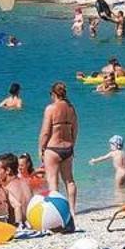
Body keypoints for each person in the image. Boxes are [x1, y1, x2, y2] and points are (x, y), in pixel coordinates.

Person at [39, 81, 78, 209]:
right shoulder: (71, 108)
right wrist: (72, 144)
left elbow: (45, 132)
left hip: (53, 148)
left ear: (54, 94)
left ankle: (57, 209)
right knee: (69, 180)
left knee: (53, 181)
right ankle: (72, 210)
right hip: (67, 148)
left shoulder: (50, 109)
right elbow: (75, 129)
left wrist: (41, 148)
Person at [0, 153, 36, 222]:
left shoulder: (6, 189)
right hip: (30, 223)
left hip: (17, 225)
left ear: (7, 171)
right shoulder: (27, 183)